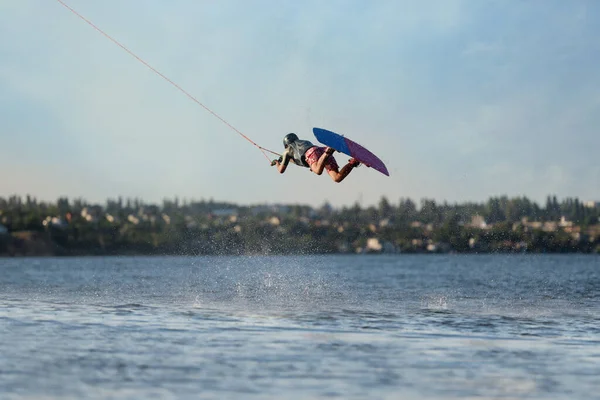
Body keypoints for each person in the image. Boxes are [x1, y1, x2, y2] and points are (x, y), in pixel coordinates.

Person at [271, 133, 360, 183]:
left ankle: (328, 151)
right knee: (336, 178)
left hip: (314, 154)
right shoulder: (304, 142)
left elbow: (281, 170)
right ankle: (353, 163)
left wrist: (277, 163)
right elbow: (298, 159)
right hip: (319, 151)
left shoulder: (287, 151)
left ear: (286, 145)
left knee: (318, 171)